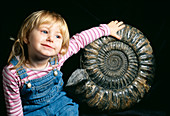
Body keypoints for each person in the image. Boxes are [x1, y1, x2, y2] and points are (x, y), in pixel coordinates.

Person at [2, 10, 125, 116]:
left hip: (60, 104)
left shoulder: (58, 58)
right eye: (45, 32)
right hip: (34, 111)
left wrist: (106, 29)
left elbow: (80, 39)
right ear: (26, 36)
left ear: (61, 47)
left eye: (58, 36)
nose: (50, 39)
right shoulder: (12, 73)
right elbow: (14, 110)